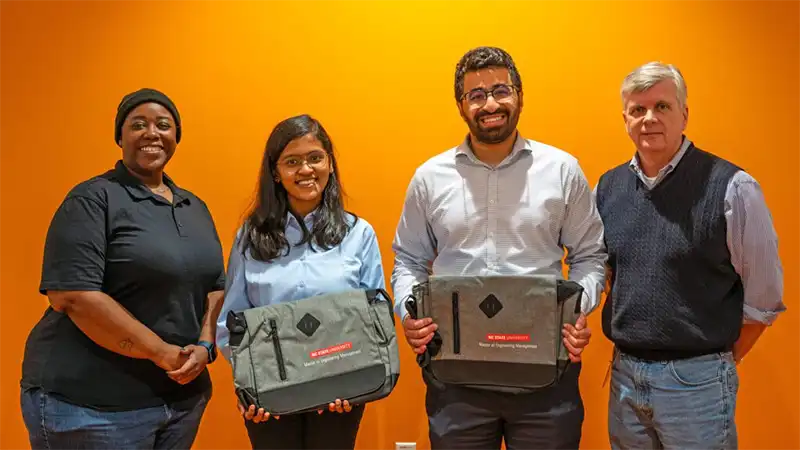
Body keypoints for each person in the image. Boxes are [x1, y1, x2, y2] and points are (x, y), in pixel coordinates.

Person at [391, 46, 607, 450]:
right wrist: (411, 312)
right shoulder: (429, 178)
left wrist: (575, 309)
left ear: (520, 96)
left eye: (500, 90)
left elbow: (590, 257)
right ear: (461, 106)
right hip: (456, 378)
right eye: (476, 95)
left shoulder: (562, 170)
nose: (489, 103)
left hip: (546, 376)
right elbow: (409, 259)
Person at [20, 88, 226, 449]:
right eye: (138, 125)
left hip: (179, 404)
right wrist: (163, 353)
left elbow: (215, 284)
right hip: (92, 409)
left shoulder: (195, 207)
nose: (152, 133)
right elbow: (73, 295)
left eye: (163, 125)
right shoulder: (93, 198)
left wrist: (206, 346)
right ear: (120, 137)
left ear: (176, 137)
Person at [596, 61, 786, 449]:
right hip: (624, 378)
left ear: (685, 113)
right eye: (638, 109)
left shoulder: (733, 188)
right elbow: (611, 272)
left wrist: (713, 364)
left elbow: (764, 299)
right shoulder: (608, 186)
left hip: (696, 382)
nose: (649, 119)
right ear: (625, 119)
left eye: (662, 107)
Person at [216, 114, 385, 450]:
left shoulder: (359, 234)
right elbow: (231, 323)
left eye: (315, 158)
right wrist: (251, 385)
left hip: (340, 391)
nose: (305, 170)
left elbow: (376, 315)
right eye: (292, 161)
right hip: (271, 394)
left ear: (330, 164)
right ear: (275, 173)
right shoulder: (250, 238)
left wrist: (357, 379)